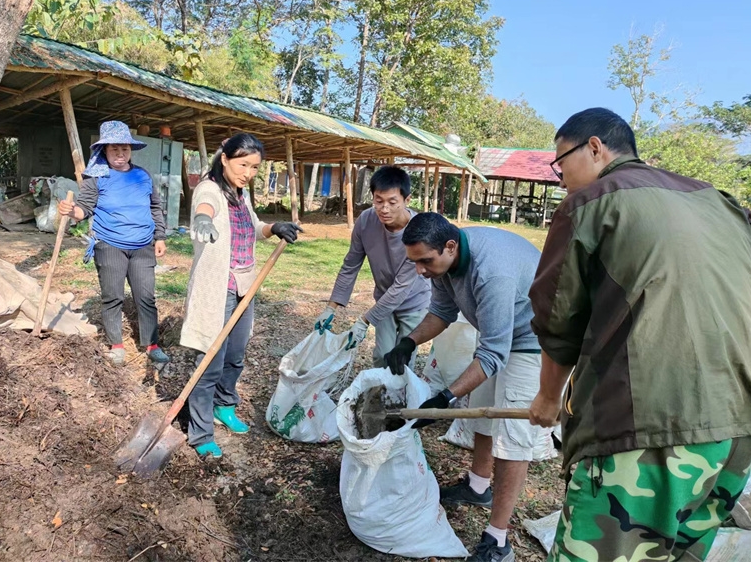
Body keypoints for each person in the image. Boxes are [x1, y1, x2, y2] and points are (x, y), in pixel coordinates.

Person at [528, 107, 751, 562]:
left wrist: (547, 399)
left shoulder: (589, 203)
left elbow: (557, 319)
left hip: (649, 427)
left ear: (595, 148)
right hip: (741, 429)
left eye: (560, 164)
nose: (560, 180)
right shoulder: (716, 200)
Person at [384, 212, 544, 562]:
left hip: (535, 338)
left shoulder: (492, 272)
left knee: (512, 439)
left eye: (425, 261)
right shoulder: (444, 263)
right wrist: (408, 342)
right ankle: (477, 486)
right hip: (498, 334)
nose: (420, 270)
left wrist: (444, 398)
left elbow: (493, 354)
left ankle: (498, 541)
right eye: (414, 262)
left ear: (450, 246)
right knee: (481, 415)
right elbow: (442, 312)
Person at [179, 133, 302, 459]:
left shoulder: (240, 193)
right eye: (243, 164)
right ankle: (201, 432)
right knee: (210, 361)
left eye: (254, 167)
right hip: (216, 288)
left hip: (244, 286)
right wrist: (202, 218)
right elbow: (204, 207)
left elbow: (254, 226)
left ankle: (224, 406)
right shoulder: (209, 188)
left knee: (235, 354)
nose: (248, 173)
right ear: (225, 159)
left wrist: (274, 228)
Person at [58, 120, 170, 368]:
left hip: (143, 245)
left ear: (131, 150)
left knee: (146, 296)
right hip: (110, 245)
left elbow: (155, 207)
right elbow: (85, 208)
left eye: (124, 149)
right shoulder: (96, 177)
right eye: (114, 149)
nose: (120, 154)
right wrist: (72, 211)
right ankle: (116, 346)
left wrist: (160, 236)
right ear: (104, 151)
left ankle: (152, 345)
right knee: (113, 297)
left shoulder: (142, 176)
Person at [315, 166, 430, 362]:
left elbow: (401, 288)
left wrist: (364, 321)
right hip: (384, 298)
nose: (384, 209)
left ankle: (400, 383)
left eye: (392, 202)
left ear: (407, 200)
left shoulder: (419, 231)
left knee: (402, 360)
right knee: (381, 356)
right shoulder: (366, 221)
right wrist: (330, 308)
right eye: (379, 201)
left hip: (415, 302)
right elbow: (350, 266)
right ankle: (378, 384)